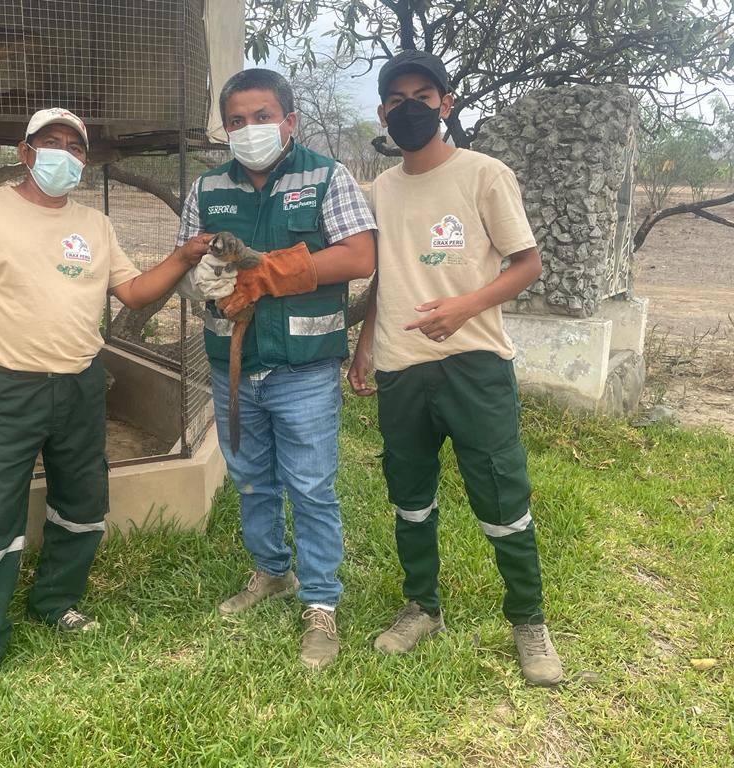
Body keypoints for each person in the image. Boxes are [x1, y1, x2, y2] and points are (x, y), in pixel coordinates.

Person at [0, 107, 211, 684]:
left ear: (85, 159)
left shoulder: (95, 225)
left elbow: (132, 294)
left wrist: (182, 257)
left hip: (81, 384)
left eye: (75, 147)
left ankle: (55, 604)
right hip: (9, 386)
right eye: (51, 143)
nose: (65, 154)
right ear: (26, 152)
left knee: (82, 503)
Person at [348, 50, 563, 686]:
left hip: (474, 361)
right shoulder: (381, 188)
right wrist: (364, 344)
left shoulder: (484, 175)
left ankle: (527, 619)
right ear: (383, 111)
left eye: (423, 95)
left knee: (501, 493)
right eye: (396, 99)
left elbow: (527, 263)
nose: (409, 108)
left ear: (446, 102)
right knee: (409, 496)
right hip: (400, 364)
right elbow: (386, 273)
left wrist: (466, 306)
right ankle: (422, 607)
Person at [178, 69, 376, 670]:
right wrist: (206, 284)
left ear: (289, 120)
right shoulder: (207, 189)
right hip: (234, 366)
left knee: (311, 487)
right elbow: (190, 265)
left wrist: (269, 273)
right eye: (236, 121)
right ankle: (272, 572)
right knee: (250, 479)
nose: (249, 130)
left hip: (304, 367)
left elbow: (359, 254)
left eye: (262, 117)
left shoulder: (325, 175)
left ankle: (321, 603)